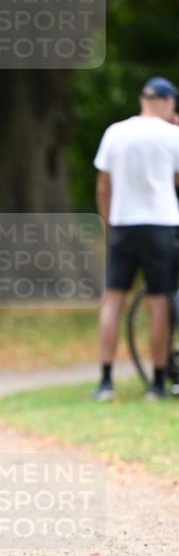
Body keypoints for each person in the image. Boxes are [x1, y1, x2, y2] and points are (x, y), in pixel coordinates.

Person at [93, 76, 179, 401]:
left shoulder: (116, 132)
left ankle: (105, 379)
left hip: (123, 225)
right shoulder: (172, 136)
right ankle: (157, 382)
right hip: (161, 226)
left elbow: (103, 185)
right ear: (167, 102)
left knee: (113, 300)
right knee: (159, 302)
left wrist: (108, 223)